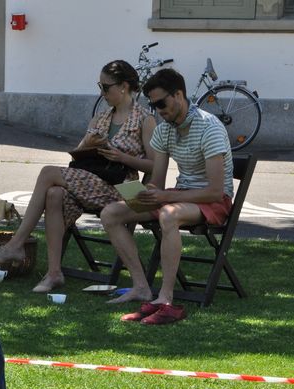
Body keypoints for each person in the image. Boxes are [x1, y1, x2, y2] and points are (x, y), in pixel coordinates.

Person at [0, 60, 156, 293]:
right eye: (99, 86)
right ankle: (54, 274)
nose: (101, 93)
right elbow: (78, 158)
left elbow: (153, 164)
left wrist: (120, 157)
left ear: (123, 87)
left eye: (106, 87)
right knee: (54, 194)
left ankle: (16, 244)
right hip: (92, 180)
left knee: (47, 173)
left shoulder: (144, 119)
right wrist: (87, 143)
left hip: (124, 187)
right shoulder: (101, 118)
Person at [100, 68, 234, 325]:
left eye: (162, 102)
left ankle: (166, 297)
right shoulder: (165, 131)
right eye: (153, 104)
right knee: (111, 213)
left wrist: (163, 198)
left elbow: (216, 191)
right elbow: (157, 183)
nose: (158, 109)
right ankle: (141, 286)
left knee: (168, 214)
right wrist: (143, 194)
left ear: (179, 95)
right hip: (179, 195)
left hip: (213, 201)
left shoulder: (209, 127)